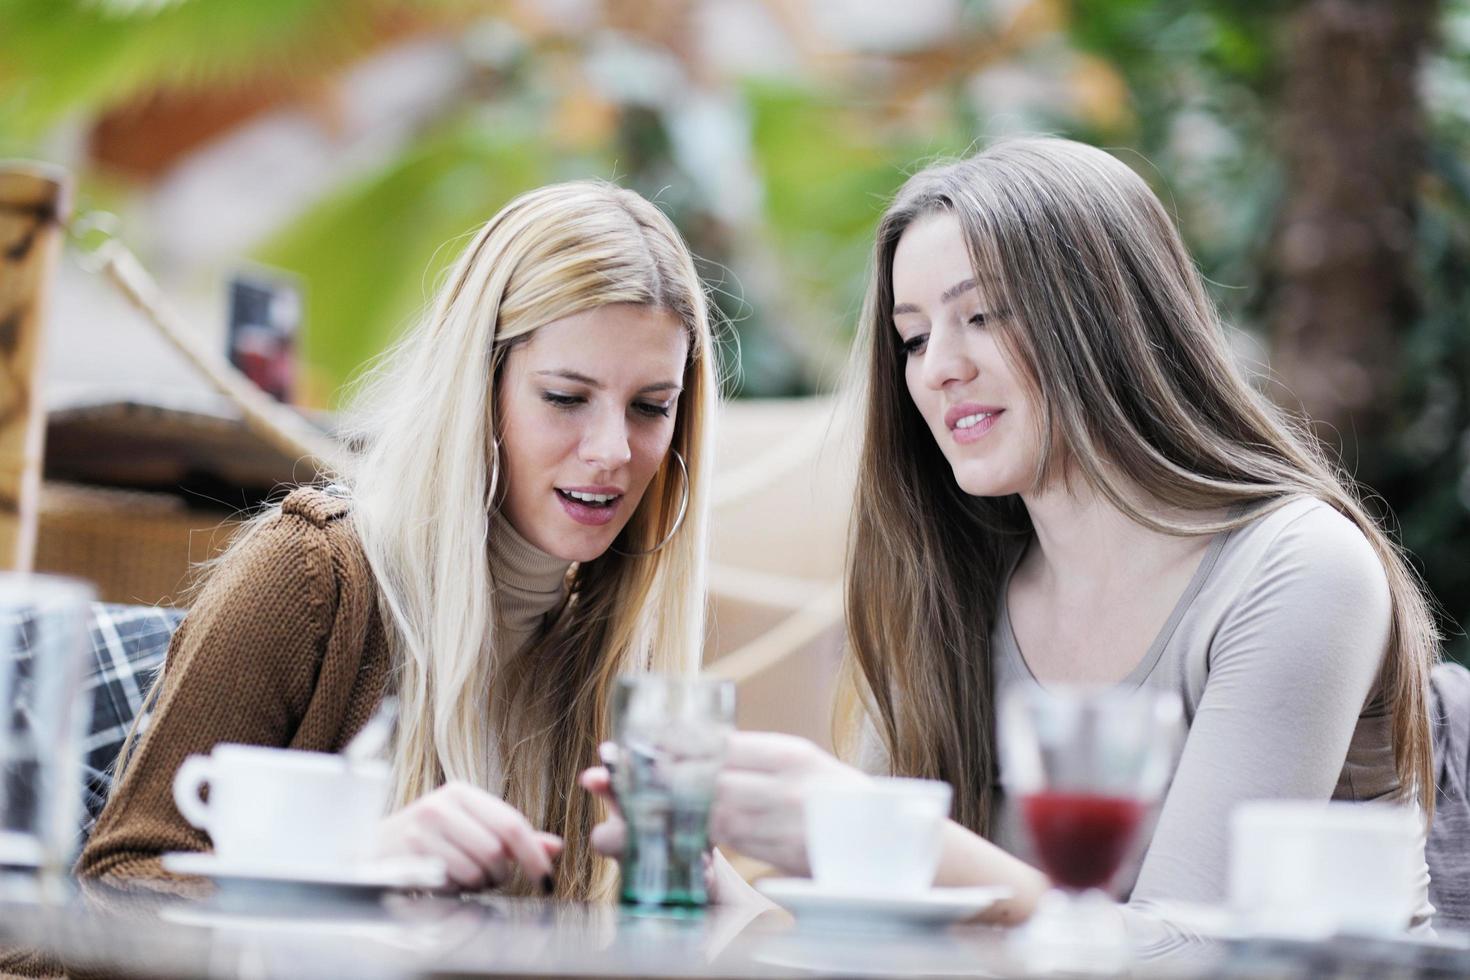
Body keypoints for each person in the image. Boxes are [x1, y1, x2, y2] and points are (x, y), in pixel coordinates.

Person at [588, 137, 1438, 945]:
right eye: (914, 336)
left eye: (982, 317)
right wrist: (712, 889)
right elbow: (883, 947)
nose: (937, 368)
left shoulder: (1297, 573)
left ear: (1105, 318)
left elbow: (1187, 957)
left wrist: (891, 837)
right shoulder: (956, 585)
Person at [80, 180, 719, 901]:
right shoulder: (315, 575)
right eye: (566, 398)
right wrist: (348, 872)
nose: (612, 449)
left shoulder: (619, 654)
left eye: (650, 407)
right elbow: (117, 884)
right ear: (479, 386)